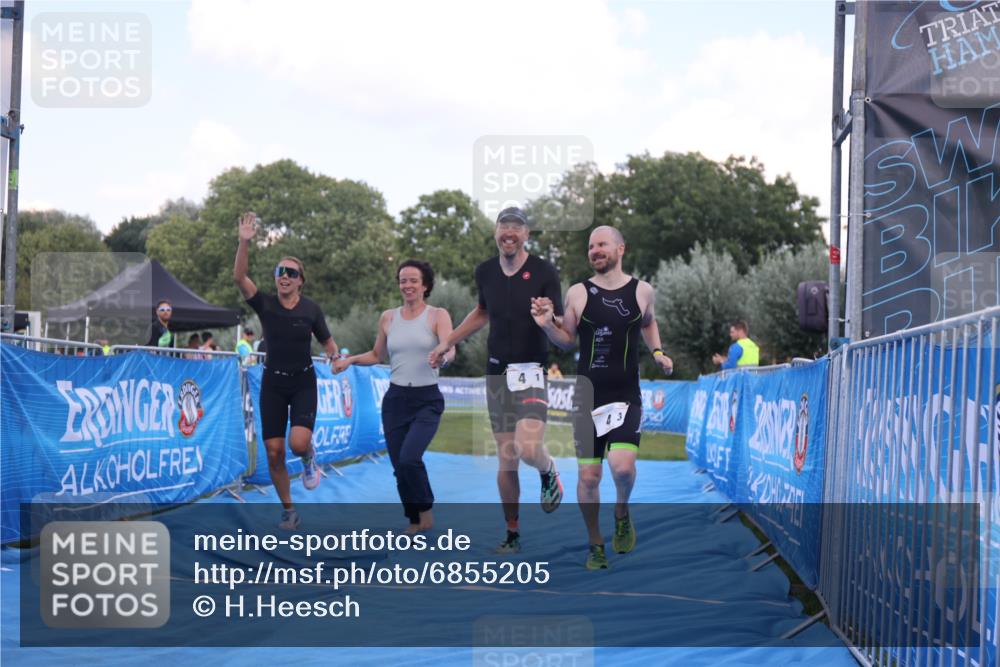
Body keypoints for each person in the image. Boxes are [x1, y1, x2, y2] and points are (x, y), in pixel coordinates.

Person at [531, 226, 673, 570]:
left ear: (620, 248)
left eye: (602, 244)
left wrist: (656, 351)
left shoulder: (643, 291)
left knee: (622, 468)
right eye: (591, 246)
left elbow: (648, 323)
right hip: (588, 397)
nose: (595, 250)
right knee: (589, 478)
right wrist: (547, 325)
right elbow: (567, 340)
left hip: (625, 395)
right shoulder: (579, 293)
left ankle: (621, 509)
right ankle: (595, 543)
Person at [430, 206, 564, 554]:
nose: (509, 233)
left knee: (529, 447)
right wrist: (448, 341)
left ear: (526, 235)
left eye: (516, 228)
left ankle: (548, 471)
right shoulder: (485, 271)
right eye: (504, 226)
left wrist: (548, 320)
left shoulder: (544, 271)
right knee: (507, 458)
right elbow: (482, 312)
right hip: (496, 375)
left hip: (532, 371)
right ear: (495, 233)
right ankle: (513, 533)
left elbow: (560, 324)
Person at [233, 211, 341, 530]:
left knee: (296, 444)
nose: (284, 276)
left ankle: (308, 457)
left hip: (304, 382)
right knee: (274, 451)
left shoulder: (311, 310)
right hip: (273, 384)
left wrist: (335, 355)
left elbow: (328, 342)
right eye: (281, 271)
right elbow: (239, 278)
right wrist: (244, 241)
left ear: (300, 281)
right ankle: (289, 510)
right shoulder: (265, 304)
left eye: (291, 272)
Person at [334, 260, 454, 533]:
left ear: (425, 285)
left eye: (413, 280)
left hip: (427, 399)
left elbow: (450, 349)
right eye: (403, 280)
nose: (407, 285)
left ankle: (425, 512)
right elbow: (377, 355)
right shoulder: (388, 317)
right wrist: (350, 360)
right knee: (399, 465)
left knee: (411, 458)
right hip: (396, 399)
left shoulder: (438, 315)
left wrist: (442, 358)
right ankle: (413, 519)